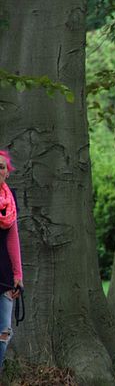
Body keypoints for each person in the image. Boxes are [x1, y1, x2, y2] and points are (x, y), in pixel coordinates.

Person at [0, 151, 22, 373]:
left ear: (7, 172)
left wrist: (18, 276)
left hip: (5, 276)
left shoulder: (10, 202)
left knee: (4, 331)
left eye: (1, 167)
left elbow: (13, 239)